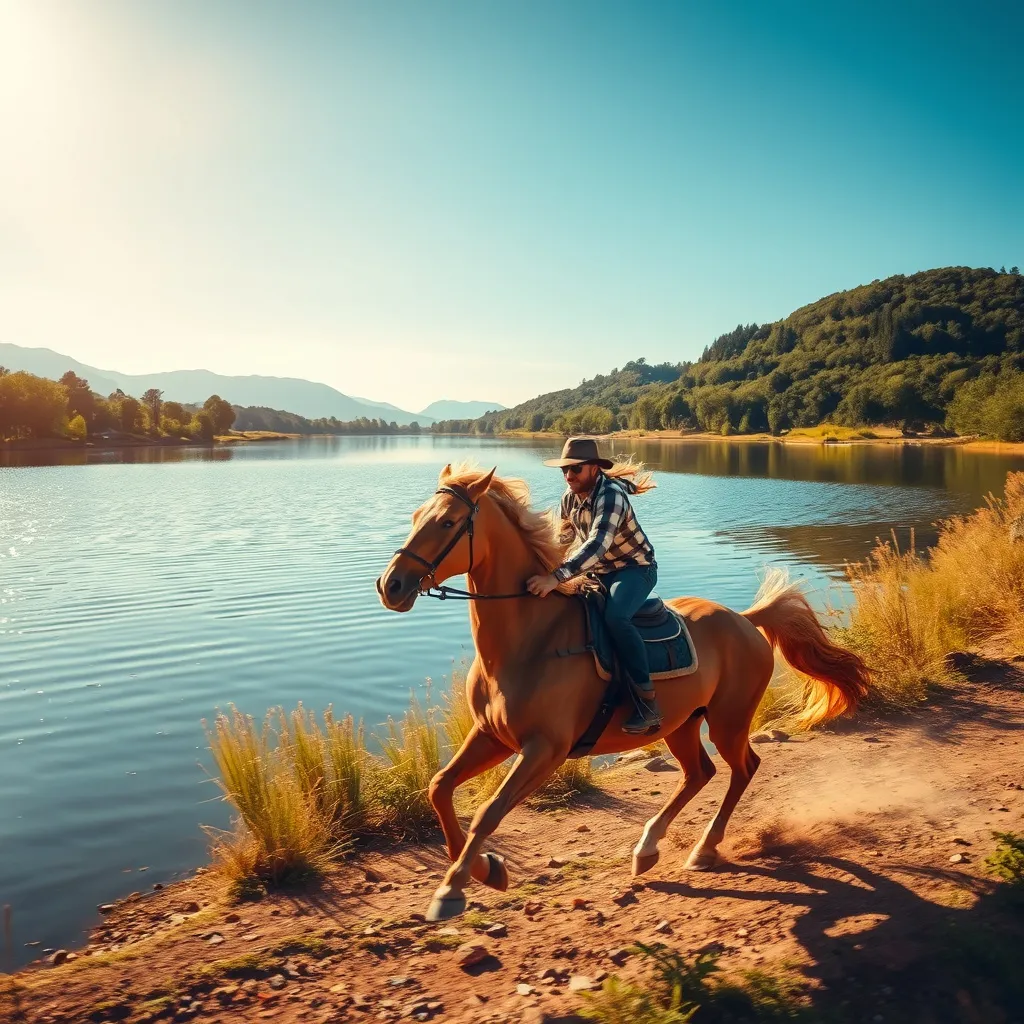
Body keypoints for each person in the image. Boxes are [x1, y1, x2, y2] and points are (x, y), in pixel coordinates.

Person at [526, 436, 662, 734]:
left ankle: (647, 702)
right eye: (565, 470)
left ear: (595, 469)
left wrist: (555, 578)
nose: (569, 476)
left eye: (576, 469)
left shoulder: (611, 496)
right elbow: (562, 541)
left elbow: (597, 545)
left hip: (634, 569)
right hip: (598, 572)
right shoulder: (569, 498)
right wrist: (543, 567)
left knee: (616, 617)